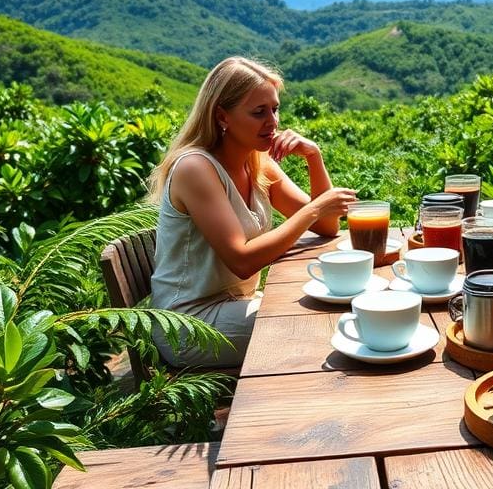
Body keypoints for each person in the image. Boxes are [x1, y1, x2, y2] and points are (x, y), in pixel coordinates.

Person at [146, 56, 357, 367]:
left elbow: (326, 226)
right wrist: (313, 208)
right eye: (259, 112)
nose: (272, 122)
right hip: (189, 324)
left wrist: (314, 157)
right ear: (222, 116)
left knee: (332, 308)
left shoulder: (258, 164)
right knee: (315, 326)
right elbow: (242, 260)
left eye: (274, 109)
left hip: (237, 306)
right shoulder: (195, 168)